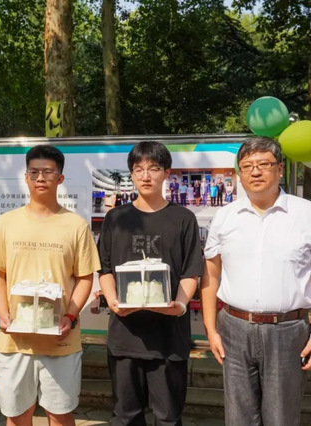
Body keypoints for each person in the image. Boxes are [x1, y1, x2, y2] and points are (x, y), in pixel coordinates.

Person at [200, 137, 311, 426]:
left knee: (281, 418)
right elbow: (211, 274)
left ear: (279, 169)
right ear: (240, 173)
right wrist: (210, 329)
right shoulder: (225, 217)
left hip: (287, 331)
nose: (255, 171)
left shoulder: (309, 215)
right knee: (238, 418)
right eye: (247, 166)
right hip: (234, 329)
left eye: (263, 164)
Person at [0, 144, 101, 426]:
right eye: (34, 172)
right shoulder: (6, 223)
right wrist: (3, 314)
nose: (40, 178)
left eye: (48, 172)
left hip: (60, 341)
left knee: (60, 414)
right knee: (16, 415)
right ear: (25, 177)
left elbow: (85, 277)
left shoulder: (75, 225)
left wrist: (70, 316)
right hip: (15, 342)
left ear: (60, 178)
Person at [98, 141, 204, 425]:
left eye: (153, 169)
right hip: (125, 335)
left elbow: (191, 272)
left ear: (166, 173)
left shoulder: (183, 219)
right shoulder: (116, 218)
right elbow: (104, 268)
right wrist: (114, 302)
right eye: (138, 169)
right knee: (125, 416)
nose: (145, 176)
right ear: (132, 174)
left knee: (168, 417)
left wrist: (180, 305)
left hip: (169, 337)